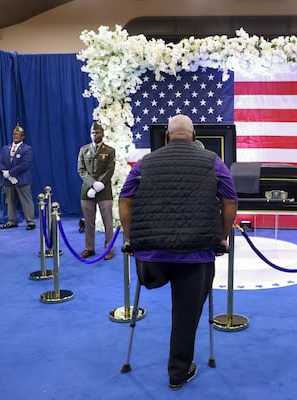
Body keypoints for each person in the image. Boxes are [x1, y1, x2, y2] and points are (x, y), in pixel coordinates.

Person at [118, 114, 238, 390]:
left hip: (151, 261)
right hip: (194, 254)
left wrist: (129, 238)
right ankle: (177, 373)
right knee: (186, 314)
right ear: (194, 136)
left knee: (154, 279)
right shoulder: (212, 162)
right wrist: (221, 238)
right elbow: (230, 200)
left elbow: (125, 198)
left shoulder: (145, 163)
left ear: (166, 136)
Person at [77, 121, 116, 260]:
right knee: (88, 221)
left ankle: (109, 249)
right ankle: (89, 248)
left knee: (108, 221)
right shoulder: (84, 149)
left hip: (104, 191)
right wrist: (93, 184)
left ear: (102, 134)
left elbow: (110, 170)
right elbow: (81, 170)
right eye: (93, 133)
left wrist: (100, 183)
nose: (95, 135)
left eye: (97, 132)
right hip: (87, 191)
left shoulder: (109, 150)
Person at [0, 124, 36, 230]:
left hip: (22, 179)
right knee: (10, 200)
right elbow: (1, 161)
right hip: (8, 180)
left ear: (23, 136)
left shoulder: (27, 149)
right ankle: (12, 220)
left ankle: (30, 221)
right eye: (14, 134)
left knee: (26, 200)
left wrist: (11, 173)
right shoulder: (6, 148)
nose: (15, 136)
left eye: (18, 134)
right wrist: (6, 173)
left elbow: (25, 164)